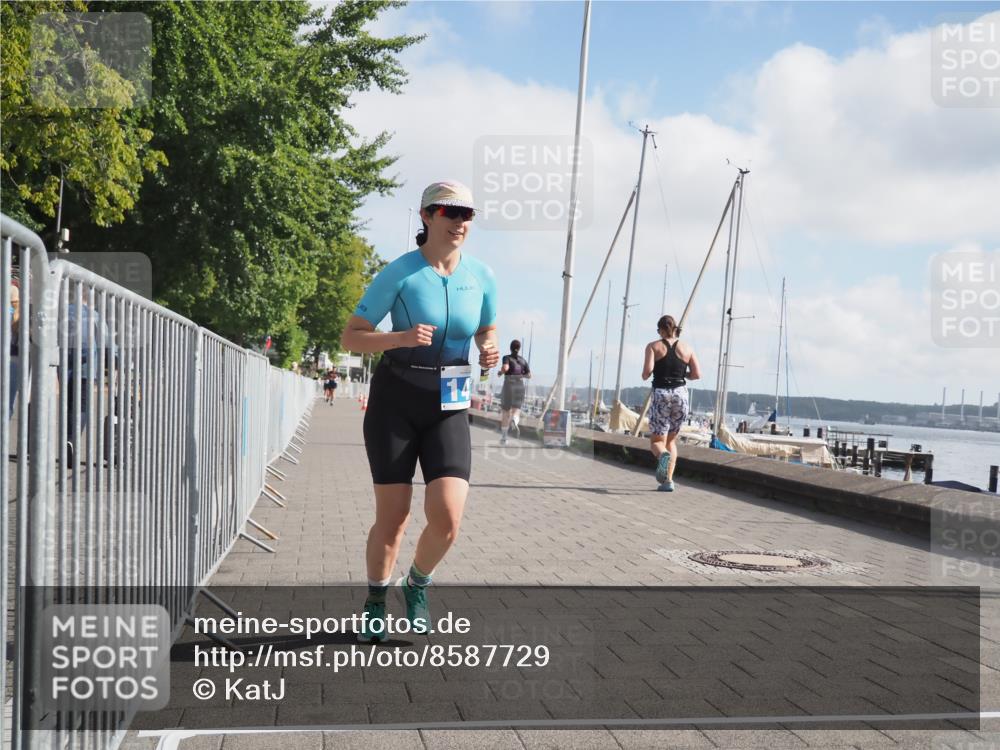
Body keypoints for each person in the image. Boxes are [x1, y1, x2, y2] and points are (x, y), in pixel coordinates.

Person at [340, 180, 499, 642]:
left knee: (448, 518)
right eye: (450, 212)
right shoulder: (401, 273)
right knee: (393, 518)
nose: (460, 222)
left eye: (468, 214)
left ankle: (417, 584)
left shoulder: (482, 276)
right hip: (396, 400)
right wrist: (401, 338)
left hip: (449, 401)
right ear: (427, 215)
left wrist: (488, 348)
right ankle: (375, 599)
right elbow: (351, 336)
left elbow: (487, 329)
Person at [641, 314, 701, 492]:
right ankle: (668, 481)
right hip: (681, 395)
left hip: (661, 394)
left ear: (660, 330)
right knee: (671, 441)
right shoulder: (687, 348)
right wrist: (682, 374)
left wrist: (649, 373)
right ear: (675, 329)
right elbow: (696, 374)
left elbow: (646, 372)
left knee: (657, 442)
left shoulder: (653, 346)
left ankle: (663, 456)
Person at [498, 339, 530, 444]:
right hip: (520, 386)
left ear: (510, 348)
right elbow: (529, 375)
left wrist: (500, 372)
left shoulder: (507, 358)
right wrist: (520, 375)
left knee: (506, 412)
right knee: (516, 410)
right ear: (519, 348)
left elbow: (505, 368)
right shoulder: (523, 360)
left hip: (509, 385)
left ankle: (504, 438)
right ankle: (515, 419)